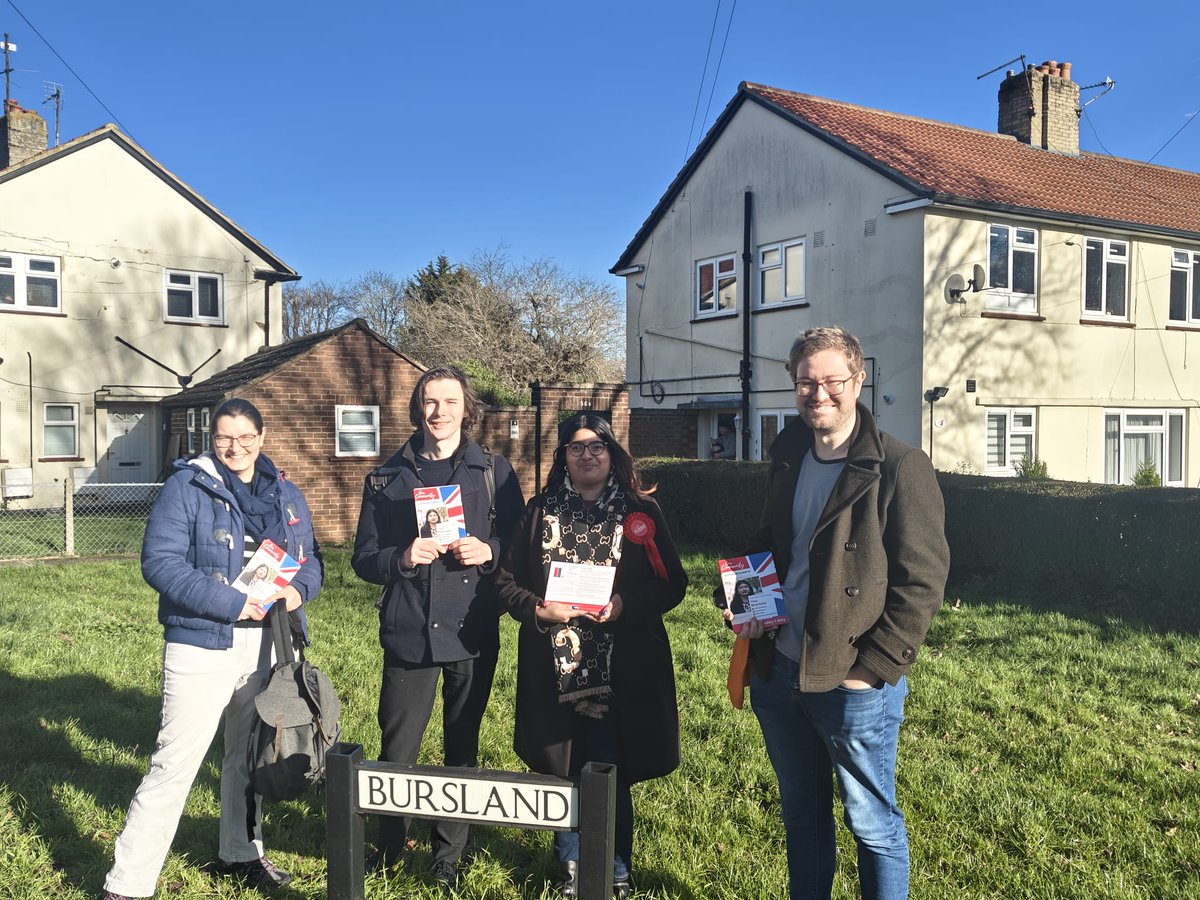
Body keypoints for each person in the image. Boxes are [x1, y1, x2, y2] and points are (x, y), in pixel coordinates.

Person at [727, 327, 948, 900]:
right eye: (805, 381)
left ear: (858, 380)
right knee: (802, 819)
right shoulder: (787, 454)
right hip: (778, 672)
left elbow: (921, 582)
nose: (817, 393)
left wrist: (871, 670)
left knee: (872, 825)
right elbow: (767, 544)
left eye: (831, 381)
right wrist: (742, 601)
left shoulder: (900, 465)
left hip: (852, 680)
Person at [100, 398, 323, 900]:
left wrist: (297, 590)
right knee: (174, 763)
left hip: (267, 644)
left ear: (262, 438)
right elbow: (160, 563)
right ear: (211, 438)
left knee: (247, 757)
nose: (236, 446)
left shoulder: (286, 493)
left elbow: (311, 561)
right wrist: (231, 602)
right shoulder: (187, 485)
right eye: (225, 437)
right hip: (203, 642)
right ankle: (127, 885)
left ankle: (241, 854)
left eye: (246, 437)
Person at [496, 413, 688, 899]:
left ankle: (616, 868)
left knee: (609, 766)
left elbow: (674, 584)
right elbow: (504, 581)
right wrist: (540, 609)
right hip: (553, 666)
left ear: (611, 453)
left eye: (596, 446)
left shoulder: (641, 511)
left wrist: (627, 604)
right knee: (566, 765)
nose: (587, 455)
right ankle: (571, 869)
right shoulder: (539, 512)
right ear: (563, 457)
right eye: (576, 447)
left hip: (622, 666)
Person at [351, 366, 524, 889]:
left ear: (465, 408)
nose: (439, 411)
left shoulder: (494, 471)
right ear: (417, 407)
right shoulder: (386, 477)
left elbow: (520, 545)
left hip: (471, 629)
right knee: (397, 746)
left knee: (462, 744)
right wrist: (401, 557)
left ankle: (449, 855)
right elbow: (363, 559)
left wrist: (489, 551)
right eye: (430, 401)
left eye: (449, 402)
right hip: (409, 630)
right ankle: (387, 848)